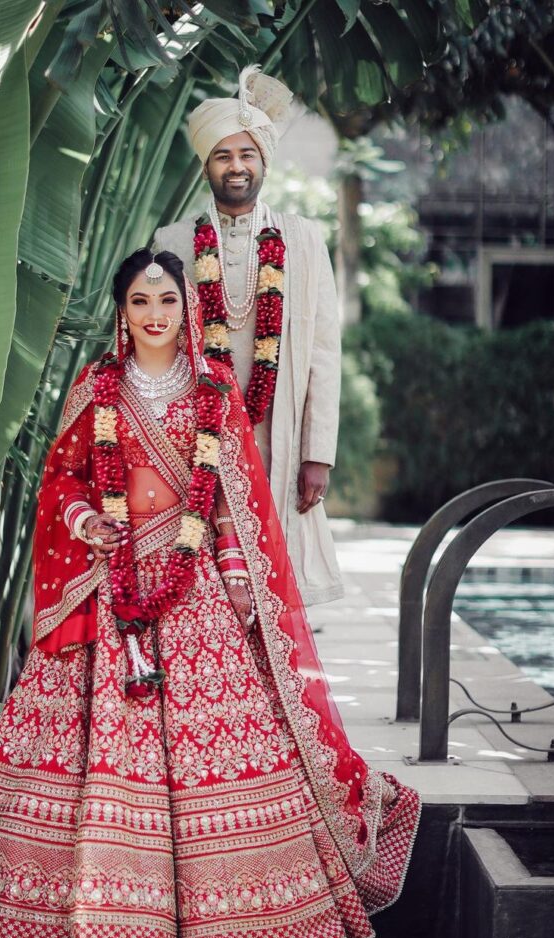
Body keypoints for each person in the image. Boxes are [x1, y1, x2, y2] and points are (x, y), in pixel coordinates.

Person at [0, 249, 421, 938]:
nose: (154, 315)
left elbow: (227, 498)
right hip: (106, 579)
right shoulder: (97, 386)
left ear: (188, 308)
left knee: (219, 744)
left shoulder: (213, 387)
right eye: (140, 302)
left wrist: (240, 576)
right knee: (93, 748)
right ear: (122, 310)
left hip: (195, 590)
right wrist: (86, 519)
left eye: (167, 300)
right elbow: (64, 477)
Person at [154, 65, 342, 606]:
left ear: (263, 163)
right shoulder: (172, 241)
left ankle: (273, 676)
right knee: (202, 569)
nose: (236, 167)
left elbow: (325, 354)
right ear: (206, 166)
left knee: (273, 562)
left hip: (274, 430)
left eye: (246, 156)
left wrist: (318, 453)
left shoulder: (304, 242)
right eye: (223, 156)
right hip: (195, 430)